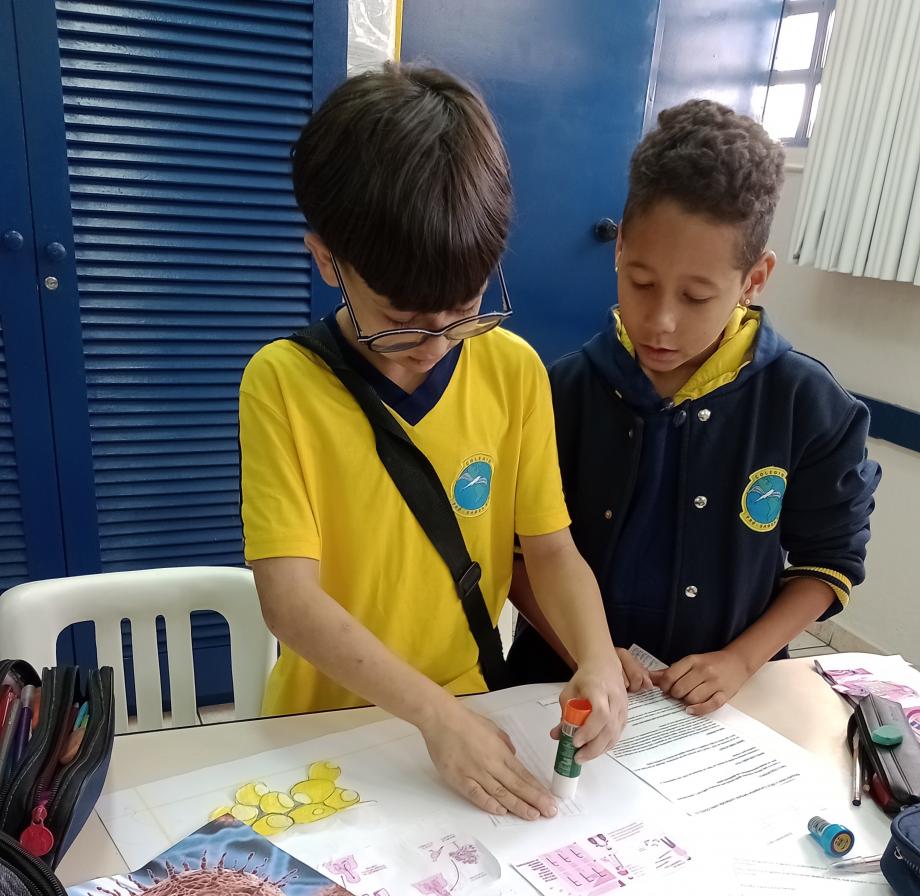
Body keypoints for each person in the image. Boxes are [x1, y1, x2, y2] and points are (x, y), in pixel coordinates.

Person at [239, 63, 629, 822]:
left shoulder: (514, 370)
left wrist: (597, 655)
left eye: (466, 309)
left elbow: (551, 550)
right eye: (402, 320)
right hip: (324, 730)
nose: (435, 344)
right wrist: (432, 717)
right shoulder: (281, 383)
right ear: (326, 259)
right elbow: (288, 601)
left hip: (471, 712)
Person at [509, 99, 880, 715]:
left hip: (729, 702)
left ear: (754, 279)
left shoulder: (807, 404)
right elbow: (518, 556)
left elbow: (830, 561)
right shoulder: (559, 393)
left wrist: (741, 660)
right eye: (641, 282)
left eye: (697, 296)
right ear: (619, 246)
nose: (661, 321)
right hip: (558, 682)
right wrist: (586, 652)